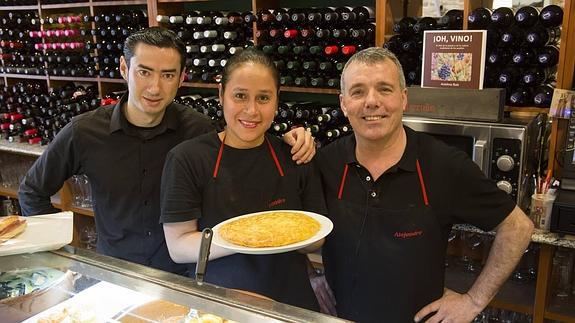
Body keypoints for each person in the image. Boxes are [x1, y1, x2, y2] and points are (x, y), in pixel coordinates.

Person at [18, 27, 315, 275]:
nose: (155, 87)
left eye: (168, 75)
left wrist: (292, 137)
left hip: (185, 275)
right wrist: (63, 252)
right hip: (115, 270)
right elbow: (32, 192)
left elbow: (244, 128)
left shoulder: (198, 128)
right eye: (144, 72)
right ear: (124, 68)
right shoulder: (83, 132)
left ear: (182, 77)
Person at [316, 47, 534, 323]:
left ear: (403, 98)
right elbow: (283, 222)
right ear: (343, 103)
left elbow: (518, 227)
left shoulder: (443, 164)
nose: (371, 101)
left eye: (384, 89)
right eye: (358, 91)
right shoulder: (325, 162)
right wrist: (311, 275)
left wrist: (473, 300)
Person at [160, 48, 325, 310]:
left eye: (263, 98)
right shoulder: (187, 159)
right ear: (221, 95)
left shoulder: (295, 155)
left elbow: (316, 239)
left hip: (291, 303)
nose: (251, 110)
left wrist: (282, 234)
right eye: (240, 96)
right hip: (219, 303)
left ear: (277, 100)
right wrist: (248, 237)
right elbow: (178, 248)